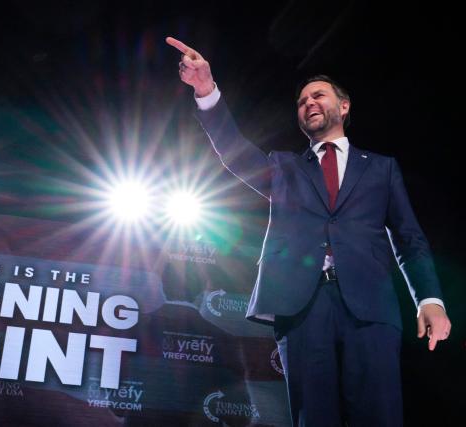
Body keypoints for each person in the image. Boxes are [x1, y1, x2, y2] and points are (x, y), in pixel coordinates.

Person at [165, 36, 451, 427]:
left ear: (344, 106)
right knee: (313, 417)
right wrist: (205, 90)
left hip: (370, 307)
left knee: (380, 415)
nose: (309, 103)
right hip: (302, 307)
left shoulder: (381, 168)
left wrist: (430, 299)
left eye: (318, 95)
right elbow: (232, 150)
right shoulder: (284, 168)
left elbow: (409, 237)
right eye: (302, 101)